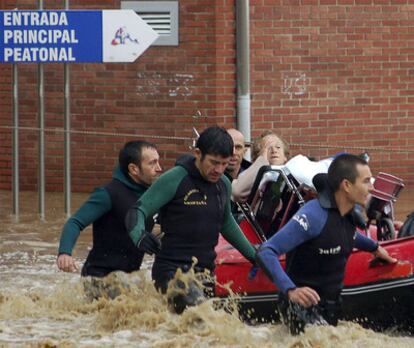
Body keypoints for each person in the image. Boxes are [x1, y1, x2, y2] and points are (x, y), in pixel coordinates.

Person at [255, 154, 397, 334]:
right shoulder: (313, 215)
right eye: (366, 181)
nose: (372, 187)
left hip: (331, 306)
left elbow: (346, 235)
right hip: (302, 307)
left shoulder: (347, 215)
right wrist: (291, 290)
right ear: (346, 185)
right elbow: (266, 252)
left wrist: (375, 248)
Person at [126, 125, 256, 314]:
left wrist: (254, 256)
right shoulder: (176, 178)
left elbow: (226, 222)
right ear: (198, 153)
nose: (219, 170)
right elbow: (136, 211)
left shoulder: (224, 184)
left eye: (224, 164)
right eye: (213, 162)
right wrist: (139, 235)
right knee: (203, 319)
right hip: (171, 271)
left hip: (205, 273)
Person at [57, 140, 162, 299]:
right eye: (152, 163)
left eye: (158, 161)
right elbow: (75, 222)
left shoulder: (155, 195)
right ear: (133, 169)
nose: (159, 168)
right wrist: (64, 253)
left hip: (129, 278)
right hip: (99, 277)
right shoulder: (108, 194)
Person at [232, 131, 289, 203]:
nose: (274, 151)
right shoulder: (249, 178)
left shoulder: (292, 174)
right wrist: (262, 160)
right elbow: (237, 191)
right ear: (257, 157)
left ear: (285, 156)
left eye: (278, 147)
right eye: (268, 148)